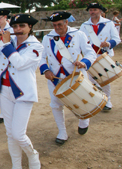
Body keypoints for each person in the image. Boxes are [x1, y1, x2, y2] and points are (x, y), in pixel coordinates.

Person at [0, 14, 43, 169]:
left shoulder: (36, 46)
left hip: (23, 92)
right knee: (10, 133)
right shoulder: (9, 42)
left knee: (19, 134)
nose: (18, 30)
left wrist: (5, 44)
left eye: (22, 26)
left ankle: (33, 154)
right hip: (4, 90)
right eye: (15, 27)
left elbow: (19, 63)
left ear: (30, 28)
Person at [40, 11, 97, 144]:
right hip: (55, 78)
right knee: (55, 104)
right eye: (54, 25)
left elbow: (90, 53)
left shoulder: (78, 35)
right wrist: (45, 69)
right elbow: (41, 57)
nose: (57, 28)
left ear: (66, 22)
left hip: (76, 75)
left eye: (59, 24)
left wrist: (84, 63)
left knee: (82, 100)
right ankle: (62, 132)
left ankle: (84, 121)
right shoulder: (48, 37)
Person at [79, 2, 121, 111]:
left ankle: (107, 101)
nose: (92, 12)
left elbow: (117, 39)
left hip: (103, 55)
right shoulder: (84, 25)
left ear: (100, 11)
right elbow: (78, 40)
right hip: (90, 56)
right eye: (91, 10)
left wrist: (109, 43)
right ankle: (98, 100)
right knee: (91, 81)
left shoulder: (109, 23)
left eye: (95, 10)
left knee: (104, 80)